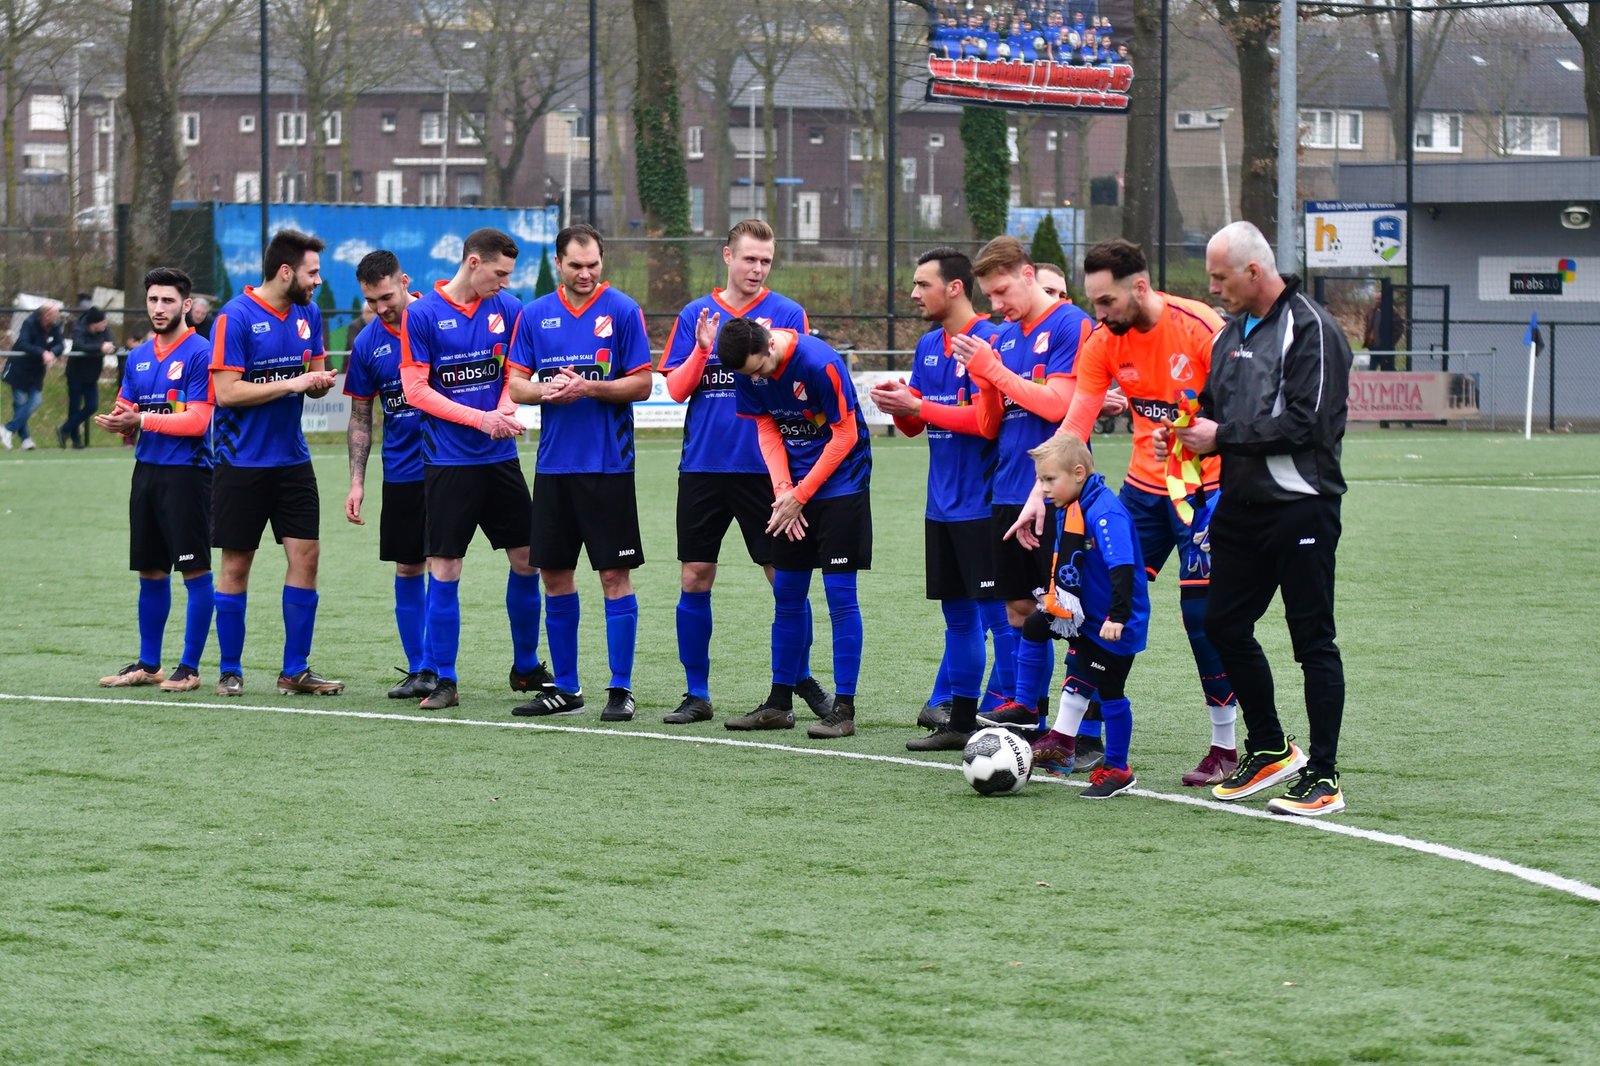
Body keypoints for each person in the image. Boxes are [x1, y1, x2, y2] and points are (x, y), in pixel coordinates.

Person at [1157, 220, 1352, 817]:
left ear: (1253, 271)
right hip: (1241, 505)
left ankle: (1324, 774)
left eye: (1219, 276)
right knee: (1222, 624)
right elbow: (1213, 411)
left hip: (1303, 505)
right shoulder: (1227, 335)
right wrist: (1187, 437)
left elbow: (1307, 425)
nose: (1212, 287)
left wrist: (1222, 436)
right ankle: (1269, 746)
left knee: (1312, 639)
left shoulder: (1314, 329)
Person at [1041, 237, 1242, 786]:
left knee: (1202, 622)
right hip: (1139, 497)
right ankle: (1066, 735)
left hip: (1205, 496)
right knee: (1088, 601)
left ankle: (1225, 744)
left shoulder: (1200, 328)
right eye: (1093, 302)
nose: (1097, 315)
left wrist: (1202, 440)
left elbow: (1243, 411)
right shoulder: (1105, 341)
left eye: (1105, 302)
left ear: (1140, 287)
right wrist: (1044, 491)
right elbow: (1076, 424)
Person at [658, 218, 831, 725]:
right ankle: (697, 693)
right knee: (695, 576)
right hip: (704, 467)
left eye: (766, 261)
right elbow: (675, 390)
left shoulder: (787, 314)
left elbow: (803, 385)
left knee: (786, 582)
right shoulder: (697, 312)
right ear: (727, 255)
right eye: (749, 258)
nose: (757, 269)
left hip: (768, 474)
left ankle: (798, 680)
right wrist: (702, 347)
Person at [948, 236, 1093, 740]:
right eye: (989, 296)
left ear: (1029, 275)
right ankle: (1029, 713)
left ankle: (1088, 732)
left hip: (1059, 495)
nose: (997, 305)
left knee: (1071, 613)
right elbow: (991, 425)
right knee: (1019, 608)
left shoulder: (1072, 326)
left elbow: (1058, 407)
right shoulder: (1005, 337)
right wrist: (985, 380)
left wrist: (994, 370)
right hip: (1008, 490)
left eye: (1003, 291)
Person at [399, 228, 548, 712]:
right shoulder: (421, 315)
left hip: (500, 461)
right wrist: (483, 419)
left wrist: (503, 410)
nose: (505, 282)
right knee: (446, 567)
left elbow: (514, 374)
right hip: (447, 464)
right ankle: (445, 679)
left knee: (527, 560)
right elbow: (417, 391)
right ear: (473, 262)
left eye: (510, 274)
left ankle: (525, 668)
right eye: (499, 273)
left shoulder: (509, 308)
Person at [506, 224, 651, 723]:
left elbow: (643, 384)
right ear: (559, 264)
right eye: (575, 266)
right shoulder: (535, 314)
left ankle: (621, 687)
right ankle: (565, 688)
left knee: (614, 575)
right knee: (554, 576)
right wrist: (549, 390)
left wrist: (589, 389)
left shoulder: (624, 311)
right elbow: (517, 386)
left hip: (608, 467)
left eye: (593, 265)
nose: (586, 274)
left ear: (602, 262)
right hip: (554, 467)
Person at [869, 248, 1012, 750]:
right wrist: (898, 404)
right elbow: (916, 425)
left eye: (922, 284)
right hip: (941, 505)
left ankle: (1016, 717)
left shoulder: (993, 340)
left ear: (954, 287)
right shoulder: (930, 345)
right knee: (956, 617)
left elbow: (985, 421)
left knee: (1000, 616)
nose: (913, 294)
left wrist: (920, 404)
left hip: (986, 504)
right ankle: (961, 721)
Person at [719, 317, 871, 740]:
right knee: (787, 593)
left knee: (840, 597)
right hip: (794, 493)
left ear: (770, 343)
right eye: (749, 375)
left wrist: (800, 494)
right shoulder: (747, 369)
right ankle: (778, 704)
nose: (759, 378)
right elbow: (766, 426)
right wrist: (784, 488)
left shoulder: (819, 362)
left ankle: (843, 709)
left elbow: (845, 435)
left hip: (842, 486)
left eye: (761, 369)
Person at [209, 229, 343, 697]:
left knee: (306, 556)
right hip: (240, 462)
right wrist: (292, 383)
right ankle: (229, 669)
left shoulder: (308, 313)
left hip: (293, 459)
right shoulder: (235, 317)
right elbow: (227, 393)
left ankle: (295, 671)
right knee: (237, 564)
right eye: (312, 272)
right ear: (285, 272)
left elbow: (315, 371)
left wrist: (319, 381)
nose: (318, 281)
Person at [92, 267, 217, 693]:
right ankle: (148, 663)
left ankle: (190, 667)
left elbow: (198, 420)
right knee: (149, 571)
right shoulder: (140, 355)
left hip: (187, 475)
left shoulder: (201, 352)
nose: (158, 308)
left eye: (167, 301)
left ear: (186, 306)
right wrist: (117, 419)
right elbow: (128, 401)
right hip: (146, 472)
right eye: (152, 300)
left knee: (195, 571)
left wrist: (141, 418)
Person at [1018, 434, 1148, 797]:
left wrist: (1117, 618)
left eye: (1048, 480)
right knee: (1063, 657)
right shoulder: (1073, 505)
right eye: (1040, 480)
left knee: (1109, 690)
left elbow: (1122, 568)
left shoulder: (1104, 512)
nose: (1043, 489)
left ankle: (1119, 769)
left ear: (1078, 473)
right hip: (1086, 618)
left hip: (1114, 624)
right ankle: (1040, 721)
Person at [343, 251, 437, 700]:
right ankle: (420, 668)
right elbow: (362, 415)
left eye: (386, 296)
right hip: (401, 470)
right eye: (371, 300)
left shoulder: (439, 317)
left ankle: (514, 665)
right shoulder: (366, 343)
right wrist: (357, 480)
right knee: (407, 564)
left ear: (404, 281)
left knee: (448, 563)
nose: (381, 308)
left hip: (451, 463)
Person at [1, 300, 64, 451]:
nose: (57, 319)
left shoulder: (54, 326)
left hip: (36, 372)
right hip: (19, 369)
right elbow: (23, 343)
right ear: (46, 315)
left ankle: (8, 429)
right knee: (20, 403)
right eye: (55, 315)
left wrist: (52, 353)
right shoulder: (29, 323)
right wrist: (42, 352)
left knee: (35, 401)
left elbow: (60, 344)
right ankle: (25, 439)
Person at [62, 307, 116, 448]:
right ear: (94, 323)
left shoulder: (104, 330)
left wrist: (110, 347)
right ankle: (75, 439)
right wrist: (100, 347)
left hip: (92, 374)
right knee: (74, 407)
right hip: (76, 373)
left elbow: (111, 343)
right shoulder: (79, 329)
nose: (105, 325)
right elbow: (80, 345)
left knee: (92, 405)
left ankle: (65, 428)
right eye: (102, 322)